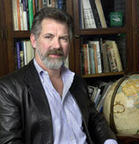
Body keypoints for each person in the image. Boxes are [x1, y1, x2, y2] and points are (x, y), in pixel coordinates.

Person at [0, 7, 118, 144]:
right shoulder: (8, 89)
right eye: (48, 37)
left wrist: (110, 141)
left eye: (63, 38)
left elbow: (94, 119)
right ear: (34, 40)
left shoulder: (76, 81)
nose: (57, 45)